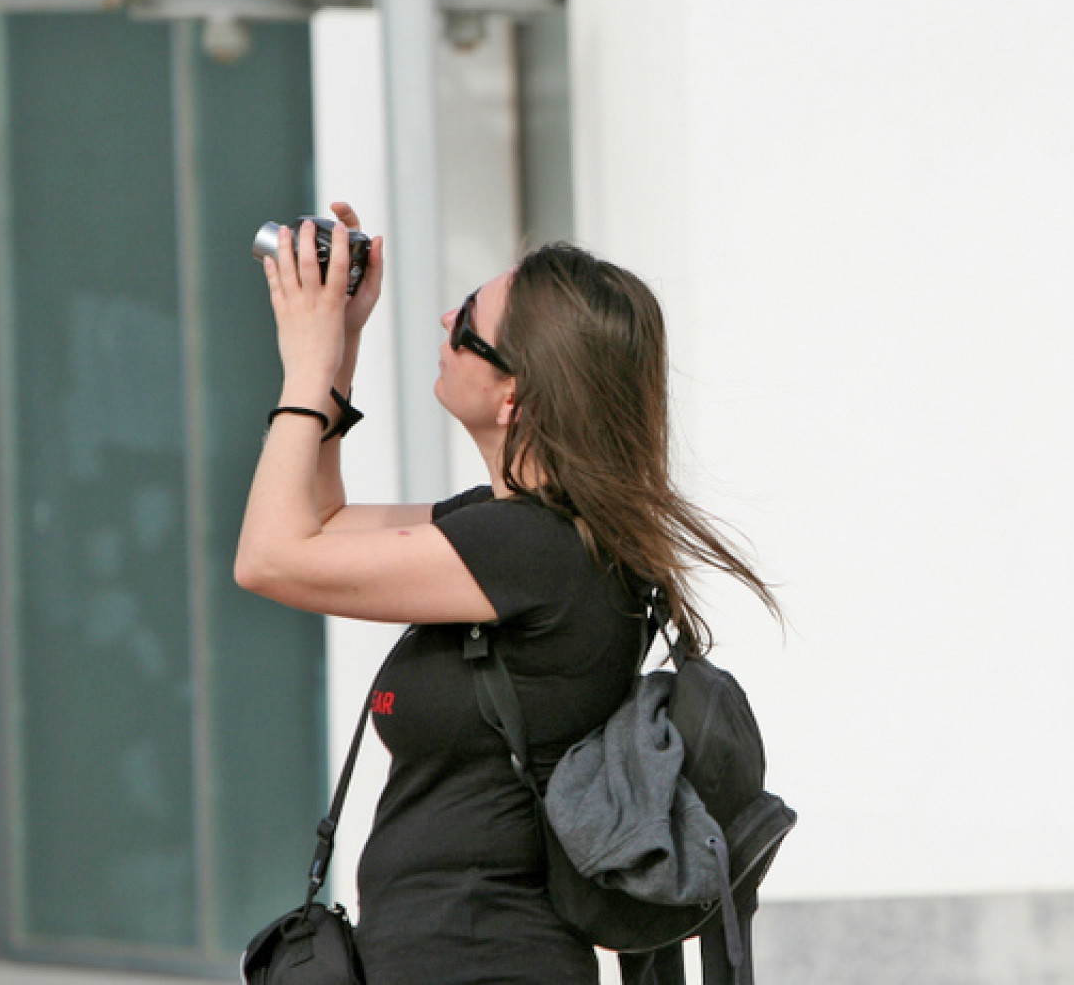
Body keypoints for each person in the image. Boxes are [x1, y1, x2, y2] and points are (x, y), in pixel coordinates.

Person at [235, 206, 776, 985]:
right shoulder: (525, 539)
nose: (445, 318)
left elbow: (270, 559)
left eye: (467, 325)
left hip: (480, 962)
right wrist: (340, 357)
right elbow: (317, 524)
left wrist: (305, 365)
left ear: (514, 396)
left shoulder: (530, 552)